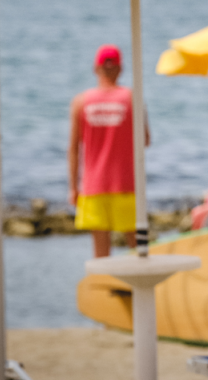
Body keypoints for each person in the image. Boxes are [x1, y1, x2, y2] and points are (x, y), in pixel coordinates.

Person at [68, 44, 150, 258]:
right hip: (125, 184)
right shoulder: (132, 98)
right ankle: (137, 290)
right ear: (120, 69)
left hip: (94, 185)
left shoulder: (81, 102)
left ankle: (104, 290)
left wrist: (73, 186)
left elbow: (74, 148)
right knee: (137, 251)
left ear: (96, 68)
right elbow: (145, 140)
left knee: (101, 254)